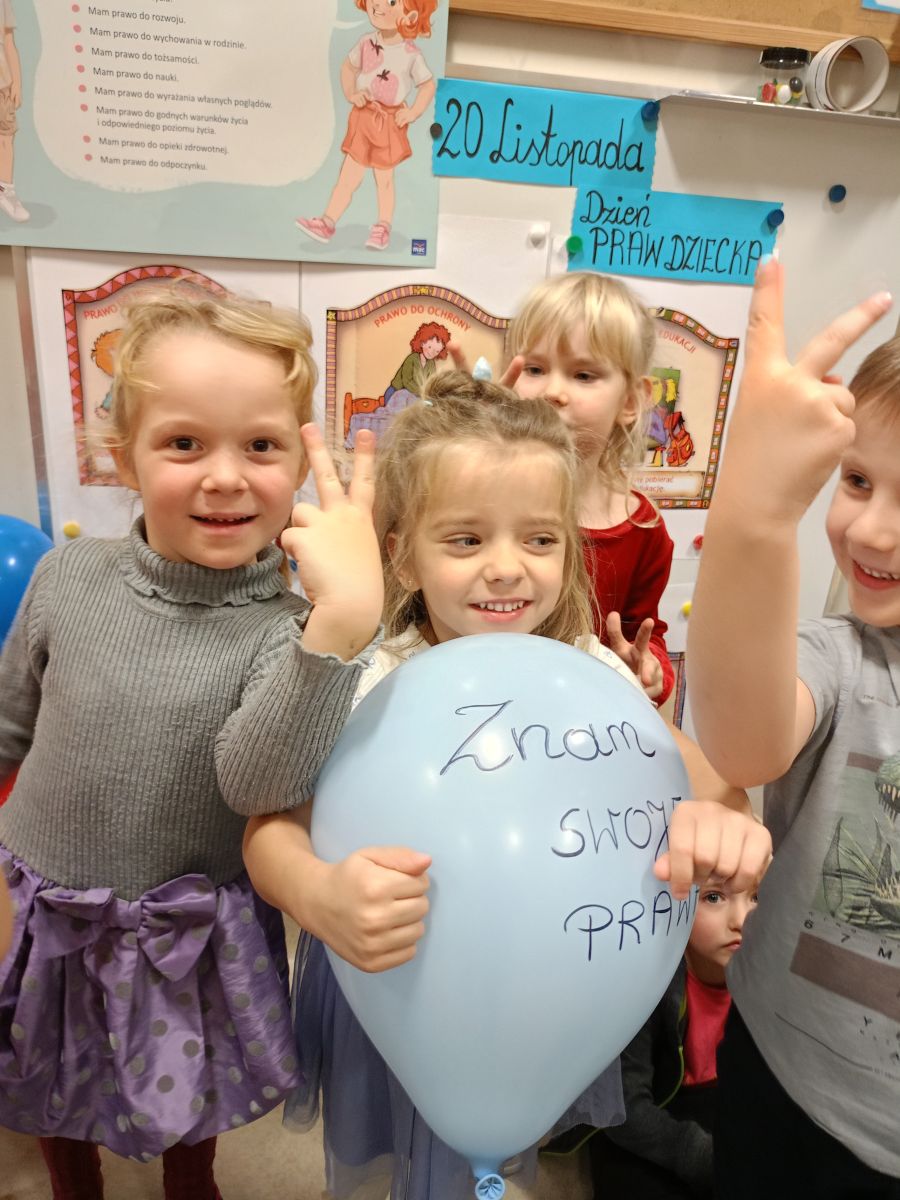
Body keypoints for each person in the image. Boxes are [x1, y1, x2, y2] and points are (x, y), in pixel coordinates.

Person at [243, 372, 771, 1200]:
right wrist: (315, 895)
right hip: (397, 978)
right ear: (402, 554)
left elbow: (711, 784)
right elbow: (267, 828)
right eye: (464, 540)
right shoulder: (364, 678)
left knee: (488, 1157)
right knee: (396, 1159)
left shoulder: (593, 678)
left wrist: (731, 820)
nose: (506, 569)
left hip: (539, 992)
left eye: (539, 539)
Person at [0, 288, 383, 1200]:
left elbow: (255, 783)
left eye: (261, 446)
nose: (224, 477)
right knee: (48, 1073)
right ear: (123, 458)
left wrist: (337, 627)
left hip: (186, 930)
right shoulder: (65, 575)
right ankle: (72, 1182)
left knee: (190, 1093)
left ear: (300, 461)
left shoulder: (288, 631)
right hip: (46, 905)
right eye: (183, 443)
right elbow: (11, 724)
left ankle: (189, 1183)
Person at [687, 258, 900, 1194]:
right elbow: (743, 741)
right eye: (857, 481)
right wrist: (756, 513)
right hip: (788, 1087)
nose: (873, 532)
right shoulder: (844, 657)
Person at [460, 272, 675, 703]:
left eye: (583, 375)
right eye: (535, 369)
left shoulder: (643, 529)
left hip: (579, 717)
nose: (553, 391)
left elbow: (645, 632)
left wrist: (649, 667)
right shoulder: (473, 494)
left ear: (631, 401)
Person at [588, 878, 759, 1199]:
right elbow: (624, 1110)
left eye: (756, 897)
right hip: (654, 1115)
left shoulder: (767, 977)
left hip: (724, 1103)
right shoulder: (646, 985)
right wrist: (700, 1157)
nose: (741, 920)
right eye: (713, 897)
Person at [296, 0, 438, 253]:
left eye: (391, 1)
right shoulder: (365, 43)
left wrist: (413, 112)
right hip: (363, 117)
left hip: (389, 122)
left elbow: (427, 85)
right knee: (348, 176)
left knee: (384, 180)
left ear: (411, 16)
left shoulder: (411, 54)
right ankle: (327, 222)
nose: (378, 4)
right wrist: (351, 93)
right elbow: (348, 67)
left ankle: (383, 227)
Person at [0, 0, 28, 223]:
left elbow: (8, 39)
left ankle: (5, 190)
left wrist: (17, 82)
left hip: (2, 83)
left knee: (6, 136)